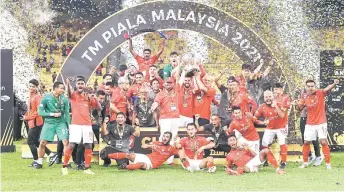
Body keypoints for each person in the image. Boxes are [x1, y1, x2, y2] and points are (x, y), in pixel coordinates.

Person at [295, 79, 340, 170]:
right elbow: (299, 109)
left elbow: (327, 88)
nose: (310, 88)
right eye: (308, 86)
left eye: (312, 86)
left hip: (321, 123)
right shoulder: (305, 97)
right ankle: (305, 162)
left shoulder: (320, 93)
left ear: (315, 87)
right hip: (310, 123)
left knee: (323, 142)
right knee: (306, 142)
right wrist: (297, 104)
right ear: (306, 87)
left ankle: (328, 164)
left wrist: (334, 84)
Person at [62, 76, 101, 175]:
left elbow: (98, 108)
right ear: (76, 85)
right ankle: (64, 166)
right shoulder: (74, 95)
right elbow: (69, 92)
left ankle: (87, 168)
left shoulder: (88, 97)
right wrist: (67, 84)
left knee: (88, 145)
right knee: (71, 145)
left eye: (82, 83)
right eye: (78, 84)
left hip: (87, 124)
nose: (80, 85)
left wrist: (95, 97)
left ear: (85, 85)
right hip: (75, 124)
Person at [36, 81, 70, 169]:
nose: (63, 90)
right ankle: (39, 162)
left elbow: (66, 112)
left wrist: (69, 125)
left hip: (61, 122)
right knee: (43, 142)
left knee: (65, 142)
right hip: (49, 122)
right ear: (55, 88)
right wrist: (52, 114)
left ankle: (66, 163)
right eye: (61, 88)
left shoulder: (64, 99)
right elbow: (40, 112)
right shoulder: (46, 98)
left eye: (63, 88)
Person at [23, 79, 57, 167]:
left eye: (33, 86)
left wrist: (27, 117)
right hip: (32, 122)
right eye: (30, 86)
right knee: (37, 143)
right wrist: (26, 116)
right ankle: (51, 154)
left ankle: (36, 161)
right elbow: (30, 110)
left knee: (30, 142)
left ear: (37, 87)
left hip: (36, 122)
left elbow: (39, 112)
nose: (31, 88)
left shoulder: (38, 97)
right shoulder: (31, 95)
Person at [105, 132, 178, 170]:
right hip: (146, 157)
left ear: (170, 139)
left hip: (153, 165)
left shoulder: (171, 149)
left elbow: (180, 152)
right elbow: (143, 146)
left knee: (141, 164)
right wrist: (150, 145)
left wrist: (178, 143)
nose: (165, 138)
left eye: (167, 137)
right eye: (164, 136)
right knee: (128, 155)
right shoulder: (156, 143)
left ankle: (125, 167)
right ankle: (107, 156)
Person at [254, 90, 289, 168]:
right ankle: (266, 160)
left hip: (281, 126)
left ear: (273, 97)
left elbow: (282, 115)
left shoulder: (279, 104)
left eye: (270, 96)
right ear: (264, 98)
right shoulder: (262, 107)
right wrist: (262, 122)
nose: (268, 98)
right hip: (270, 127)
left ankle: (283, 162)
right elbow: (254, 119)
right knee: (264, 144)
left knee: (282, 143)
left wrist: (276, 106)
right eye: (266, 97)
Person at [150, 77, 180, 165]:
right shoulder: (160, 94)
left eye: (170, 83)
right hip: (165, 118)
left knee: (173, 138)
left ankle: (170, 161)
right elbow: (156, 102)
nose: (168, 84)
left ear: (173, 84)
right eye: (167, 83)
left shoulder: (176, 91)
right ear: (164, 84)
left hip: (176, 118)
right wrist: (153, 107)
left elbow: (179, 77)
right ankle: (159, 158)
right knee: (163, 138)